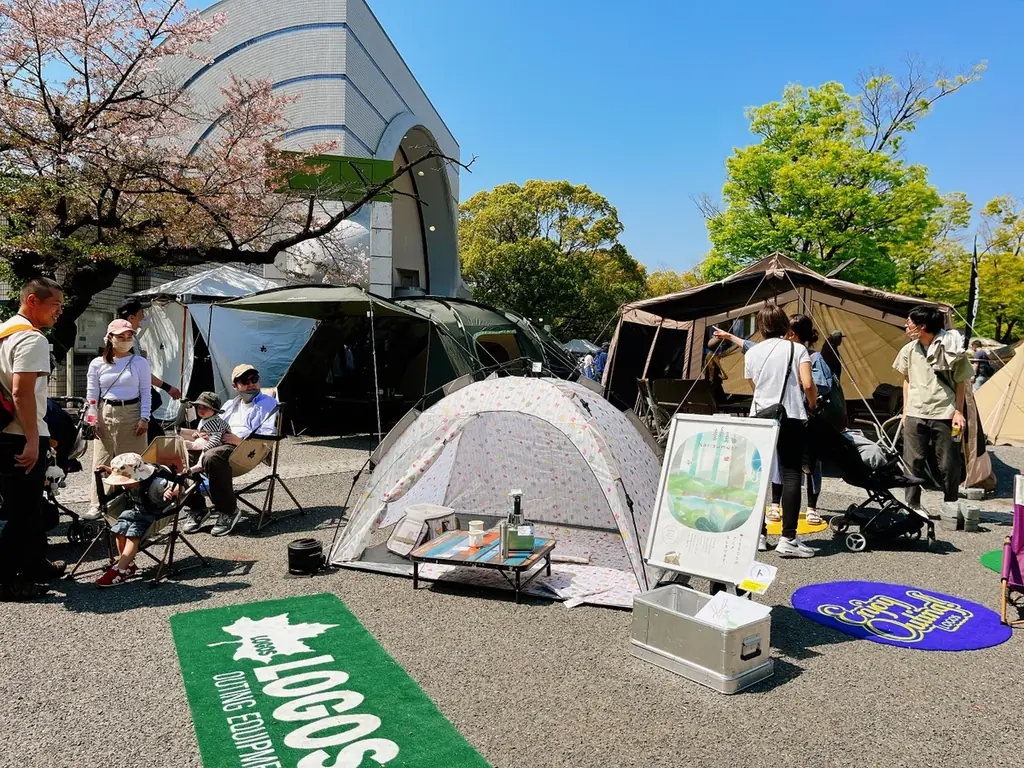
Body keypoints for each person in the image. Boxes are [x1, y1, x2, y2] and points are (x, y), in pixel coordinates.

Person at [0, 277, 66, 600]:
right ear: (32, 302)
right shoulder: (31, 338)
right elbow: (21, 392)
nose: (59, 313)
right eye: (55, 306)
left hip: (5, 432)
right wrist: (32, 440)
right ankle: (7, 580)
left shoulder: (3, 333)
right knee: (23, 512)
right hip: (20, 434)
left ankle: (34, 564)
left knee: (28, 508)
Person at [743, 305, 817, 558]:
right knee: (791, 474)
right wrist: (813, 404)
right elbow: (807, 384)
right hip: (792, 415)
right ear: (785, 324)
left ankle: (760, 536)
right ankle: (788, 539)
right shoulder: (798, 349)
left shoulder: (752, 353)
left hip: (759, 416)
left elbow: (754, 385)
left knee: (757, 478)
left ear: (760, 327)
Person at [894, 306, 973, 514]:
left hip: (944, 412)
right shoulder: (909, 349)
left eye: (909, 321)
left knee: (948, 463)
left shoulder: (953, 348)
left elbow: (961, 383)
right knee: (912, 462)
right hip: (915, 411)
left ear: (922, 326)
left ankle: (950, 504)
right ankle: (912, 505)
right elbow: (907, 380)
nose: (906, 325)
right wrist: (905, 409)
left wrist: (958, 411)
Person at [183, 364, 278, 537]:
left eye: (254, 379)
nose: (251, 384)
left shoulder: (267, 403)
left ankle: (228, 511)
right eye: (244, 381)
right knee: (182, 454)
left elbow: (267, 436)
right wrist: (204, 435)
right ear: (235, 385)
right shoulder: (229, 404)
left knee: (212, 457)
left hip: (243, 449)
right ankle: (197, 508)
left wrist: (238, 441)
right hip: (219, 442)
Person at [83, 319, 152, 519]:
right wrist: (91, 419)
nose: (125, 340)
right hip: (106, 413)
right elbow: (92, 395)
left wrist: (144, 417)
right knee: (101, 461)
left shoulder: (139, 362)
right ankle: (98, 504)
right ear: (110, 338)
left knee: (134, 462)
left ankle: (139, 505)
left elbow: (146, 392)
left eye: (129, 336)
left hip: (132, 411)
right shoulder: (97, 363)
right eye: (120, 337)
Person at [94, 452, 183, 587]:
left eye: (128, 482)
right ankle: (128, 564)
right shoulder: (132, 478)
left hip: (151, 515)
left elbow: (178, 485)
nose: (126, 485)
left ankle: (120, 568)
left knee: (132, 535)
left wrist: (170, 491)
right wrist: (110, 470)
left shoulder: (157, 483)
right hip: (134, 511)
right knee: (119, 529)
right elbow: (124, 474)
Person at [117, 300, 182, 441]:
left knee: (154, 428)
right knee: (155, 435)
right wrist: (168, 388)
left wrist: (141, 357)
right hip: (131, 398)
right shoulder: (125, 340)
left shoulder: (132, 337)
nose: (143, 317)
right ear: (131, 318)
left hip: (135, 396)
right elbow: (141, 373)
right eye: (141, 314)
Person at [184, 391, 232, 473]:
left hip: (220, 443)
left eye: (205, 407)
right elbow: (205, 431)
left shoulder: (214, 422)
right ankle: (192, 445)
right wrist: (198, 434)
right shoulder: (206, 418)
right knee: (199, 442)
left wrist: (208, 447)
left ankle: (199, 465)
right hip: (208, 438)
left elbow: (216, 437)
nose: (201, 410)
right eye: (199, 407)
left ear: (214, 410)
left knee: (205, 451)